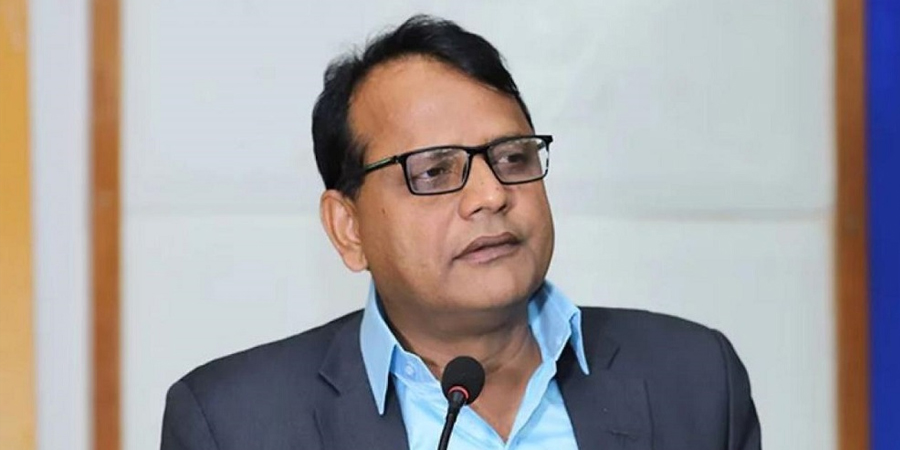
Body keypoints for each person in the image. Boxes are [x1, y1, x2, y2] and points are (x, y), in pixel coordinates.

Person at [161, 14, 760, 450]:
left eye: (513, 157)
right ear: (349, 229)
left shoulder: (694, 378)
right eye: (435, 172)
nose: (491, 195)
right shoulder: (234, 424)